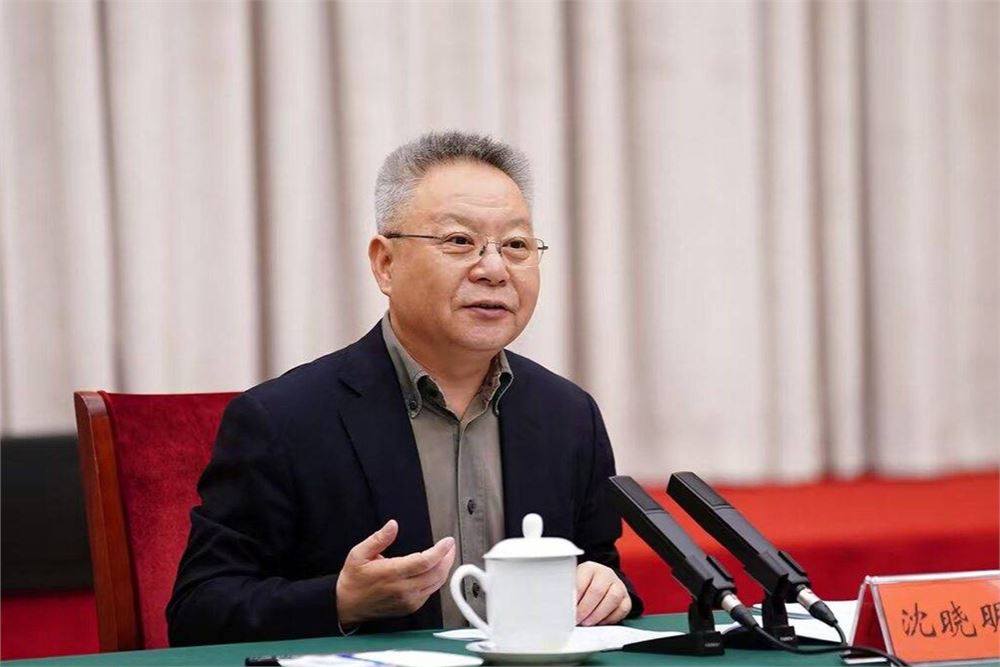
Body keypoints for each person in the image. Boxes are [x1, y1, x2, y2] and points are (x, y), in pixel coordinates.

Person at [166, 131, 643, 646]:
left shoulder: (569, 415)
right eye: (459, 241)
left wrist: (606, 590)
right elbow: (199, 611)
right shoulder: (283, 420)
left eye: (516, 246)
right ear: (385, 264)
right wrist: (340, 600)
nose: (494, 269)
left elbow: (600, 570)